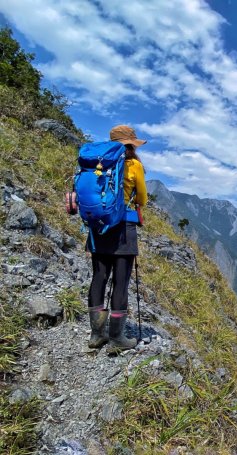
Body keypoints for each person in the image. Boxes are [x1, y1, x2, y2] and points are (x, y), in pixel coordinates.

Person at [87, 125, 148, 353]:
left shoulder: (96, 164)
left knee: (99, 277)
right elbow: (141, 196)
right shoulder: (134, 165)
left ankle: (96, 334)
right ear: (131, 144)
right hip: (122, 228)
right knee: (120, 283)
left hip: (98, 228)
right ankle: (117, 338)